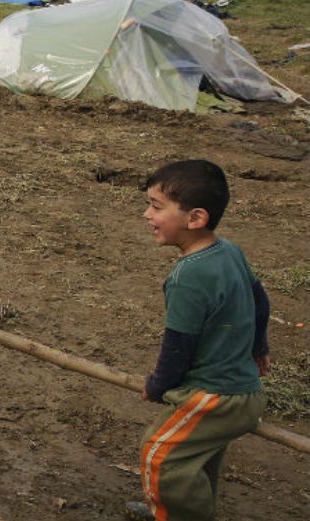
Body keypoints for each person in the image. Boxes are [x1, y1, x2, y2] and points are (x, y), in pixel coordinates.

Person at [125, 160, 271, 521]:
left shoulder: (188, 276)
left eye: (157, 207)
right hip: (244, 392)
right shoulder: (229, 251)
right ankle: (182, 509)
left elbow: (178, 346)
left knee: (159, 453)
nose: (147, 214)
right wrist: (259, 348)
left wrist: (158, 386)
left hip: (214, 398)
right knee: (196, 454)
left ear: (195, 219)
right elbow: (260, 301)